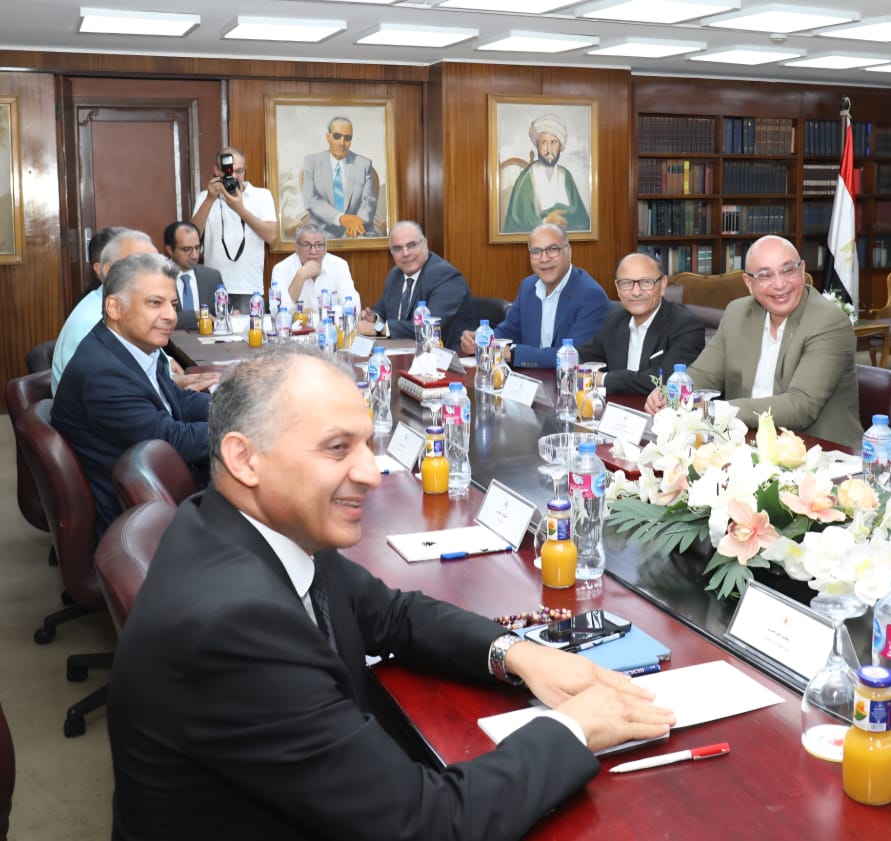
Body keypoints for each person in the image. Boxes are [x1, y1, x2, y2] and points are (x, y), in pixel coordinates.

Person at [106, 344, 675, 840]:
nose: (370, 472)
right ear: (244, 458)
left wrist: (518, 654)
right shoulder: (234, 627)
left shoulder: (246, 526)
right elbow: (426, 824)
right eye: (337, 448)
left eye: (365, 444)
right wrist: (575, 728)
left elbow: (394, 614)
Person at [643, 235, 861, 447]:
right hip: (747, 442)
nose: (779, 284)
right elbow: (705, 374)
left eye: (788, 271)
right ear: (749, 283)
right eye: (765, 275)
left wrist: (715, 411)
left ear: (802, 270)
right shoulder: (738, 313)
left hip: (819, 451)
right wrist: (671, 393)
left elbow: (800, 407)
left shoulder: (828, 321)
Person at [51, 253, 211, 532]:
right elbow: (173, 441)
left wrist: (236, 407)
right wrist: (247, 427)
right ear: (114, 307)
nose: (171, 316)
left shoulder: (132, 346)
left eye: (173, 305)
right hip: (140, 515)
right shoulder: (104, 375)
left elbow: (177, 400)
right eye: (155, 303)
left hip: (155, 484)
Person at [459, 223, 607, 368]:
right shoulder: (528, 286)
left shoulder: (590, 295)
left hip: (570, 381)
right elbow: (508, 331)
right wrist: (481, 340)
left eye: (552, 249)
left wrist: (512, 354)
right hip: (531, 378)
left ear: (568, 252)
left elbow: (575, 355)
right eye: (536, 251)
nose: (544, 259)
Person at [577, 252, 704, 394]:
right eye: (626, 283)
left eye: (646, 282)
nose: (636, 292)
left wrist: (604, 379)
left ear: (663, 285)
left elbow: (667, 380)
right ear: (618, 288)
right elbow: (581, 357)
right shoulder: (614, 321)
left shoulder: (686, 325)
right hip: (616, 406)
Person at [51, 228, 156, 394]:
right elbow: (120, 392)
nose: (154, 274)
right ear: (108, 270)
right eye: (137, 264)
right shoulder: (93, 322)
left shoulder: (117, 303)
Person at [356, 221, 475, 350]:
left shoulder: (447, 277)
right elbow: (381, 310)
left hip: (445, 356)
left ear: (425, 244)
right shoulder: (395, 275)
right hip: (402, 353)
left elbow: (426, 328)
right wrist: (374, 318)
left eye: (411, 245)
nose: (405, 253)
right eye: (398, 248)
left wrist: (378, 329)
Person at [191, 146, 277, 309]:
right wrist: (210, 199)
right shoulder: (205, 197)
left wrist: (240, 210)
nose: (235, 176)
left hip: (248, 287)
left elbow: (271, 236)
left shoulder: (262, 195)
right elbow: (192, 236)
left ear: (245, 169)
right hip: (213, 286)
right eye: (229, 171)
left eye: (240, 171)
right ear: (217, 171)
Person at [503, 114, 591, 234]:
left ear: (560, 146)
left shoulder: (566, 175)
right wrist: (545, 221)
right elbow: (517, 222)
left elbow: (582, 220)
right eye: (544, 143)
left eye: (553, 142)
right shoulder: (527, 176)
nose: (549, 150)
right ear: (538, 146)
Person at [302, 116, 377, 239]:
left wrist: (357, 223)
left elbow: (368, 201)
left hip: (357, 230)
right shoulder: (311, 163)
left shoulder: (364, 164)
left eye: (347, 138)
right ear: (328, 137)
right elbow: (311, 200)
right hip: (322, 229)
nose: (342, 143)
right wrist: (341, 218)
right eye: (337, 136)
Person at [270, 223, 360, 316]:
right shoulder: (281, 269)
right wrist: (300, 276)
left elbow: (354, 306)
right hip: (296, 325)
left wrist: (318, 316)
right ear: (296, 247)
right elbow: (277, 313)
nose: (313, 251)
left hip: (331, 325)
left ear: (325, 248)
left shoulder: (339, 265)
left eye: (319, 245)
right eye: (306, 245)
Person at [163, 221, 223, 330]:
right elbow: (159, 318)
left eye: (197, 248)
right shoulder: (159, 279)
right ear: (170, 250)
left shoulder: (212, 277)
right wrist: (196, 316)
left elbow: (222, 315)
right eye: (187, 249)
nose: (195, 255)